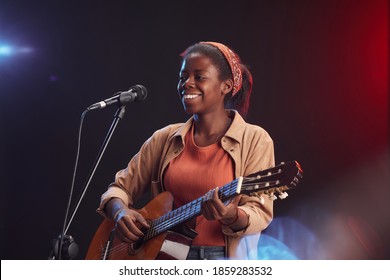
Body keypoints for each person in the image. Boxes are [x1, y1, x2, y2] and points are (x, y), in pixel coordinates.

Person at [96, 41, 275, 260]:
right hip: (161, 259)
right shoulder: (165, 138)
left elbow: (259, 213)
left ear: (226, 86)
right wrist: (120, 211)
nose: (187, 84)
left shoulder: (255, 139)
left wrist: (231, 215)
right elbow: (118, 189)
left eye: (199, 77)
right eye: (183, 77)